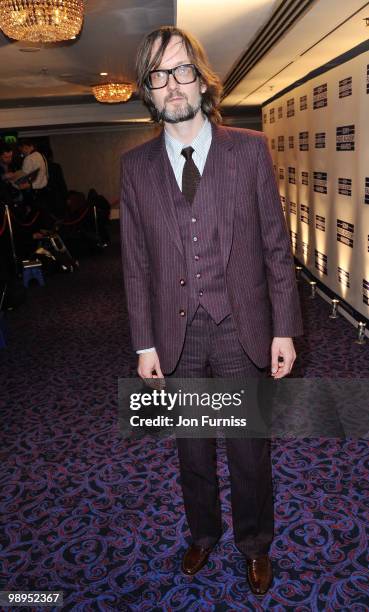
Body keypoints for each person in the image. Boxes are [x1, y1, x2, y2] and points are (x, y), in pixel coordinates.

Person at [120, 26, 303, 597]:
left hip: (240, 328)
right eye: (158, 74)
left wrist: (285, 330)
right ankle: (203, 533)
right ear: (149, 90)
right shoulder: (134, 167)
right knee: (191, 451)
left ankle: (255, 544)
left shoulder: (248, 150)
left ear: (201, 79)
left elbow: (276, 247)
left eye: (181, 70)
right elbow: (136, 264)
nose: (172, 84)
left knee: (250, 452)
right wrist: (144, 343)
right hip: (176, 338)